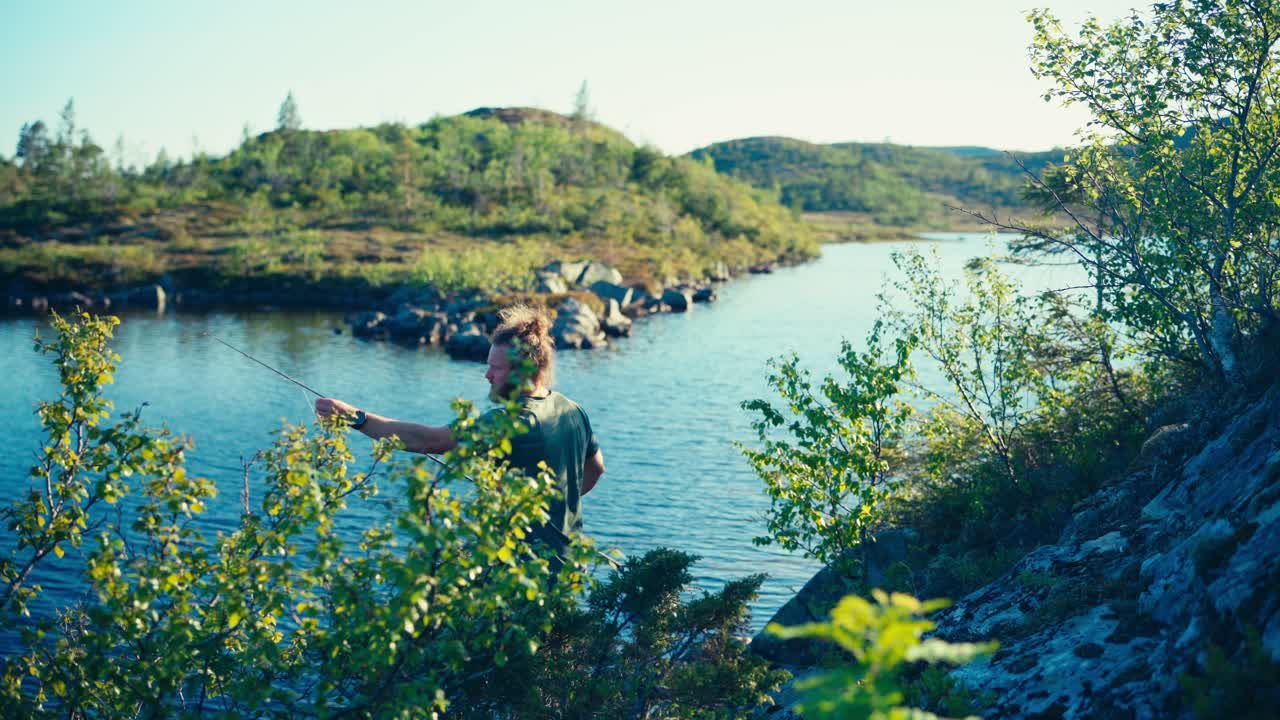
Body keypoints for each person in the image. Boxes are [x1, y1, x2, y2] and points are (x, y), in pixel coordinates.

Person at [314, 304, 605, 560]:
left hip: (525, 569)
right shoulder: (572, 410)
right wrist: (556, 509)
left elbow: (429, 441)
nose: (487, 375)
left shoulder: (511, 421)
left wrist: (354, 417)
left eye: (496, 368)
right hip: (569, 564)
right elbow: (596, 469)